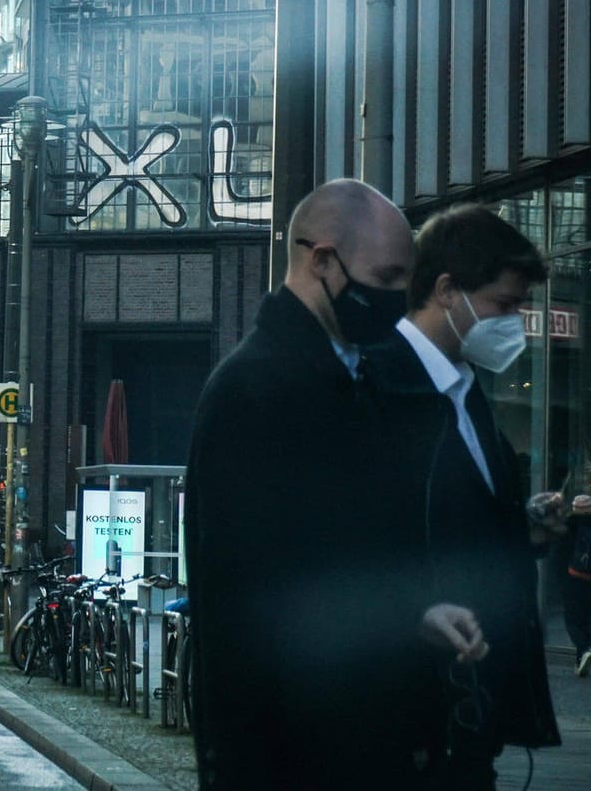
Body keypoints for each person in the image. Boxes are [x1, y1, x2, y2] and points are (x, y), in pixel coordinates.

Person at [186, 179, 482, 790]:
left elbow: (337, 556)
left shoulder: (358, 379)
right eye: (388, 275)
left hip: (369, 739)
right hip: (304, 752)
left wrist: (417, 613)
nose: (400, 297)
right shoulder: (253, 390)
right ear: (321, 259)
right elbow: (244, 602)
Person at [363, 205, 563, 785]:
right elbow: (341, 539)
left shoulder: (466, 390)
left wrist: (523, 529)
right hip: (403, 717)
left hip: (468, 712)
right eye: (505, 304)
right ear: (448, 290)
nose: (515, 322)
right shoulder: (373, 386)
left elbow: (458, 520)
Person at [563, 471, 591, 678]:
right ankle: (582, 655)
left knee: (573, 619)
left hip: (575, 577)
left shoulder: (570, 525)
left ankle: (583, 650)